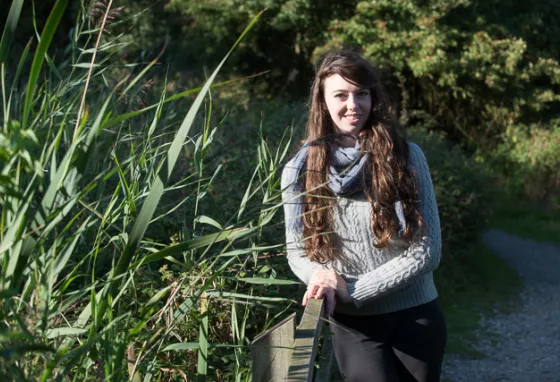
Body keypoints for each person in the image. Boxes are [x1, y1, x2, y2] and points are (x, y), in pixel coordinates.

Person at [281, 51, 447, 382]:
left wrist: (354, 290)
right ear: (323, 102)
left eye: (362, 93)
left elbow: (428, 250)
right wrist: (321, 277)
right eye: (340, 95)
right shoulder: (300, 171)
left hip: (415, 316)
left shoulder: (407, 158)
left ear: (374, 97)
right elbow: (296, 251)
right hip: (354, 327)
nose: (353, 104)